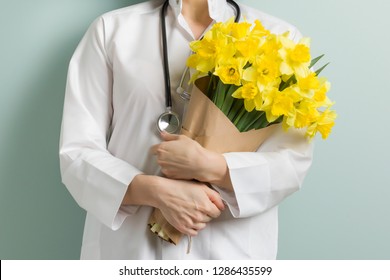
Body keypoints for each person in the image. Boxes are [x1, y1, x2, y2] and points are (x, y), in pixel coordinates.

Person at [59, 0, 313, 259]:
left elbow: (291, 162)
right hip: (129, 251)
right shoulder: (111, 30)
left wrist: (213, 167)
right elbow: (77, 153)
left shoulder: (281, 40)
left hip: (230, 254)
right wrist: (156, 192)